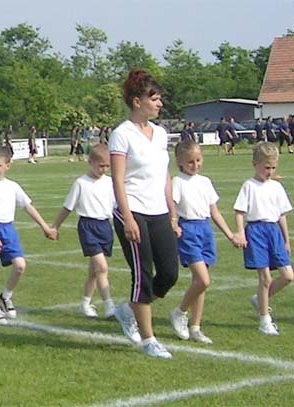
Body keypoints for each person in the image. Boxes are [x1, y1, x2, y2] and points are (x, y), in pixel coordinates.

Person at [109, 69, 179, 359]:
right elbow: (118, 180)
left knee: (170, 273)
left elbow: (164, 175)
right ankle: (149, 340)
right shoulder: (121, 134)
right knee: (143, 274)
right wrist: (128, 218)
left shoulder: (160, 134)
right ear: (137, 102)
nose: (159, 103)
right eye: (155, 98)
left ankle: (128, 310)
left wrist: (172, 212)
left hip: (158, 210)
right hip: (133, 210)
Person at [168, 140, 244, 344]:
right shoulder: (178, 182)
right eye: (190, 162)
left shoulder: (205, 182)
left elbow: (214, 212)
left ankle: (195, 327)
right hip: (188, 231)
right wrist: (174, 224)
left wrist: (230, 235)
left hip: (205, 230)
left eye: (198, 160)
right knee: (203, 280)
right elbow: (171, 207)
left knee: (200, 283)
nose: (195, 165)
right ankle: (179, 312)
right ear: (180, 162)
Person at [0, 146, 56, 325]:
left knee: (20, 265)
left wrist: (45, 227)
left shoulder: (12, 186)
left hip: (7, 230)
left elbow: (28, 206)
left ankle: (6, 295)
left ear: (7, 166)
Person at [234, 142, 294, 336]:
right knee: (265, 278)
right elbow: (239, 212)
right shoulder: (249, 186)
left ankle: (260, 299)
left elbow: (282, 215)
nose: (270, 172)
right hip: (256, 232)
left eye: (273, 168)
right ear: (255, 165)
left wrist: (286, 239)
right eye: (266, 167)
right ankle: (264, 321)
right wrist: (240, 233)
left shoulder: (277, 187)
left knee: (287, 276)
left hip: (273, 232)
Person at [51, 144, 117, 320]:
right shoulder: (81, 183)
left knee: (94, 271)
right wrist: (55, 226)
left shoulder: (110, 182)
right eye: (100, 165)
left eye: (107, 166)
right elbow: (68, 207)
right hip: (88, 227)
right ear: (90, 162)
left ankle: (85, 303)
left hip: (105, 226)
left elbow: (116, 206)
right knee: (102, 267)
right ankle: (109, 306)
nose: (103, 169)